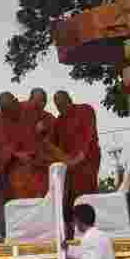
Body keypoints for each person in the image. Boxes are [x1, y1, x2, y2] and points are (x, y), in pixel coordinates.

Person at [53, 90, 101, 236]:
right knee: (68, 197)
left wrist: (80, 156)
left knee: (85, 194)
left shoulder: (85, 110)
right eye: (57, 105)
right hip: (69, 166)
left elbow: (89, 135)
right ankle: (71, 231)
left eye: (63, 103)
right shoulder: (59, 121)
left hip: (86, 162)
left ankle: (89, 229)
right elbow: (55, 146)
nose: (61, 107)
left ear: (70, 99)